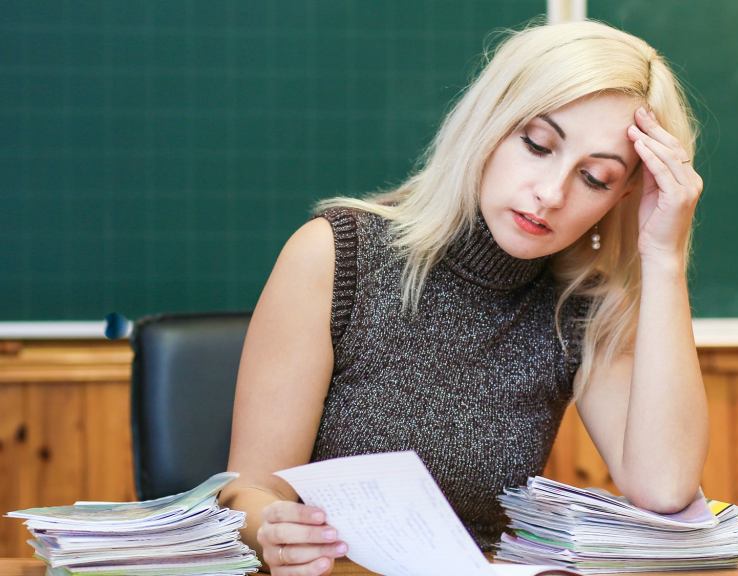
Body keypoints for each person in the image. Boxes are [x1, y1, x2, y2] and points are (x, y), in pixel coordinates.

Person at [218, 18, 708, 576]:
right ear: (489, 124)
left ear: (623, 195)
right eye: (537, 144)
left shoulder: (578, 305)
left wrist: (665, 259)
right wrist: (273, 530)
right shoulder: (336, 254)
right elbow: (248, 492)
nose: (550, 194)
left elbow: (664, 489)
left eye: (594, 178)